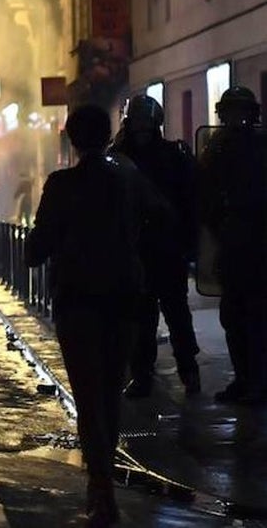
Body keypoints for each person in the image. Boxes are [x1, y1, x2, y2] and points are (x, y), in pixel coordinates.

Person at [26, 105, 153, 526]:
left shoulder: (62, 184)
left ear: (72, 138)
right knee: (110, 394)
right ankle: (104, 481)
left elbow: (37, 248)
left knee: (88, 395)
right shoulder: (129, 178)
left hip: (78, 299)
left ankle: (100, 489)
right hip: (124, 296)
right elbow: (162, 218)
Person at [110, 94, 201, 398]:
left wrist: (190, 243)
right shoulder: (122, 158)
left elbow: (190, 202)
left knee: (173, 314)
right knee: (145, 317)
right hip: (140, 249)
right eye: (138, 123)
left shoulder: (169, 156)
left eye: (145, 123)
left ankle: (185, 371)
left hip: (164, 248)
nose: (141, 129)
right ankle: (146, 374)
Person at [198, 86, 267, 406]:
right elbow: (205, 195)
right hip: (233, 244)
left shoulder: (258, 146)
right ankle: (244, 379)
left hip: (258, 245)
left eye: (242, 112)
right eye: (232, 112)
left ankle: (257, 383)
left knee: (256, 317)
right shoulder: (217, 148)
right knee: (235, 317)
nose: (237, 119)